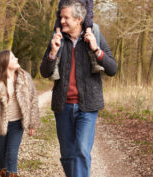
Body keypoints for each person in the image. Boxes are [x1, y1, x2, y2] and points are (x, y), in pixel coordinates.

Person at [40, 1, 117, 177]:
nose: (62, 21)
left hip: (87, 106)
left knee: (82, 151)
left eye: (66, 18)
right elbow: (44, 72)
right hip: (63, 105)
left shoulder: (95, 35)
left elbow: (112, 69)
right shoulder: (57, 38)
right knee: (67, 156)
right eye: (61, 17)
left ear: (79, 19)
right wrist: (52, 53)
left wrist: (96, 50)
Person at [0, 50, 40, 177]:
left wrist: (32, 123)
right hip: (0, 123)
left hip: (17, 123)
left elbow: (33, 101)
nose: (16, 59)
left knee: (12, 153)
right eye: (12, 58)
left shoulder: (25, 78)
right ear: (5, 63)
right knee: (2, 155)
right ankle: (3, 172)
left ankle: (12, 174)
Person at [53, 0, 104, 74]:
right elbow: (59, 15)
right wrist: (57, 31)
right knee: (56, 35)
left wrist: (88, 30)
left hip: (83, 23)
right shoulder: (63, 2)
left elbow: (89, 13)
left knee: (95, 27)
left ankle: (95, 61)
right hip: (66, 24)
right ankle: (55, 63)